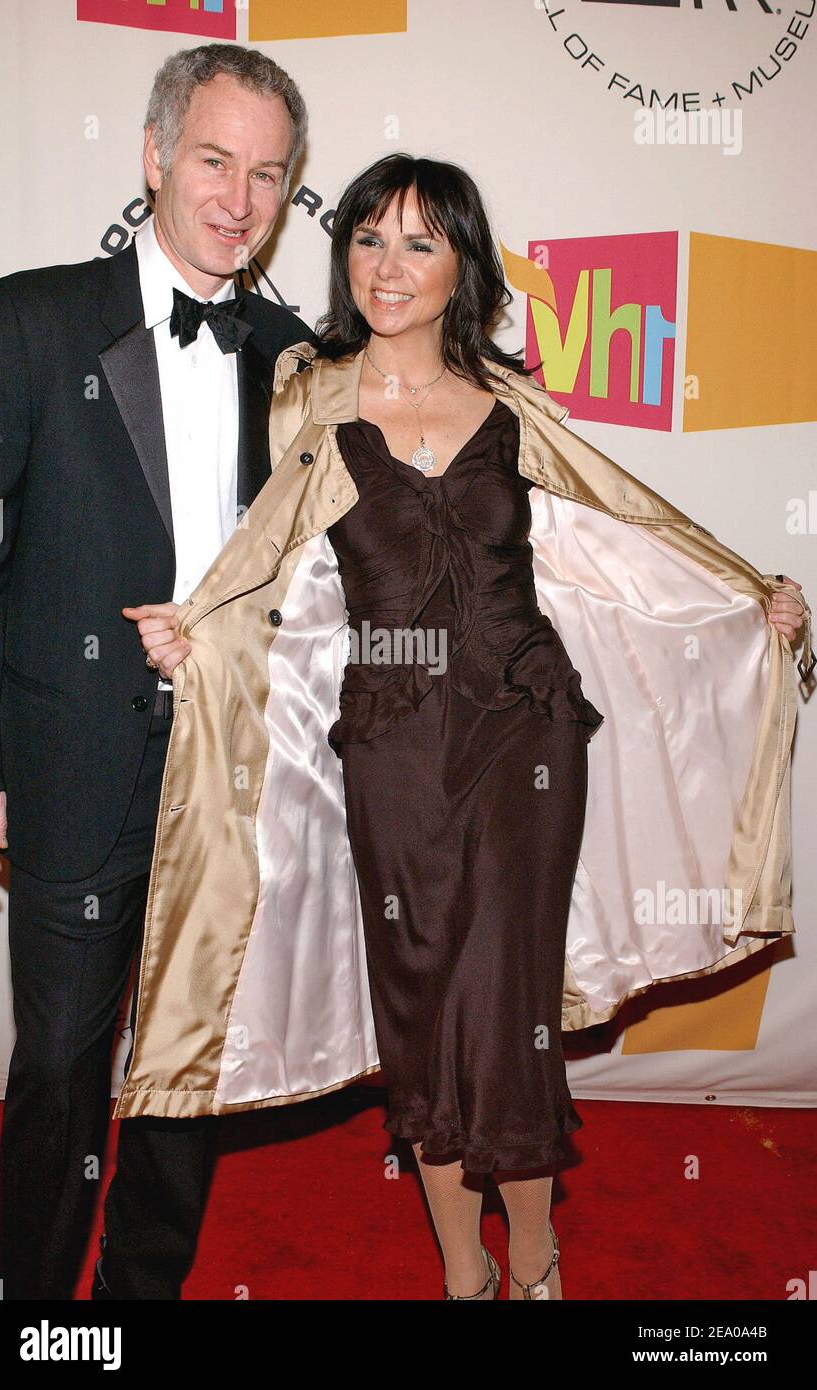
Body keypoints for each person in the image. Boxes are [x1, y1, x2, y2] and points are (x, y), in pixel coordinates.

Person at [130, 153, 810, 1300]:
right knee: (424, 1009)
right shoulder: (306, 391)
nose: (388, 267)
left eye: (419, 242)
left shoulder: (512, 403)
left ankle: (533, 1260)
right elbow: (261, 554)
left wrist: (750, 593)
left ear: (463, 264)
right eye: (368, 240)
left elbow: (625, 521)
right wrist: (196, 626)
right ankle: (464, 1270)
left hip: (522, 727)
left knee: (502, 1002)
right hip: (390, 733)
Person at [0, 42, 315, 1300]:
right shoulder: (28, 315)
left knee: (192, 1067)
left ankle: (137, 1303)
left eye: (268, 175)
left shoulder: (292, 354)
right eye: (216, 160)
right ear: (155, 154)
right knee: (61, 1063)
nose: (238, 199)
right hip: (71, 757)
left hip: (232, 770)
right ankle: (42, 1311)